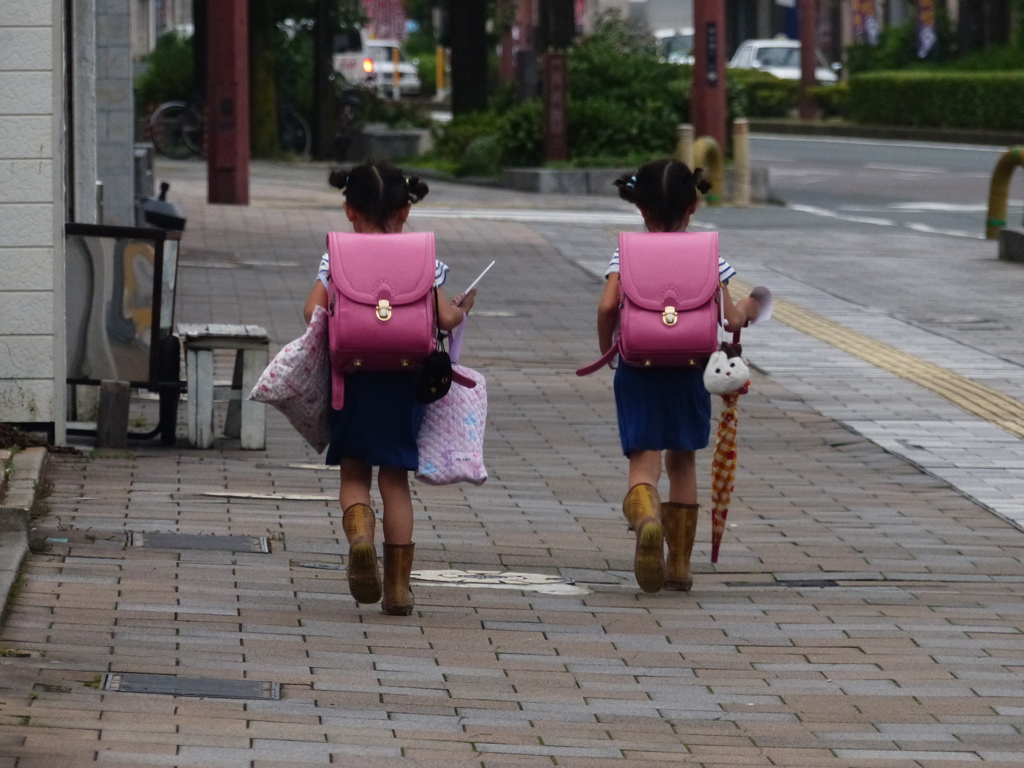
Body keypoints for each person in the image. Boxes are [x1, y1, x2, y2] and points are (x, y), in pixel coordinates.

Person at [304, 162, 476, 616]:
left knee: (355, 474)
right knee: (395, 478)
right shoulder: (425, 259)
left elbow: (311, 313)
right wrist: (462, 309)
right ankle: (398, 589)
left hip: (352, 379)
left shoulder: (335, 255)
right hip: (405, 380)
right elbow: (443, 319)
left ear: (348, 210)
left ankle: (361, 539)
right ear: (405, 210)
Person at [595, 158, 769, 594]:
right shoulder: (709, 255)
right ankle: (679, 566)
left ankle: (647, 519)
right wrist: (750, 307)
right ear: (693, 206)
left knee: (644, 462)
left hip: (638, 367)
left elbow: (606, 306)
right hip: (690, 368)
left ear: (641, 209)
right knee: (683, 460)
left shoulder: (626, 253)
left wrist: (606, 348)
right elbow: (730, 318)